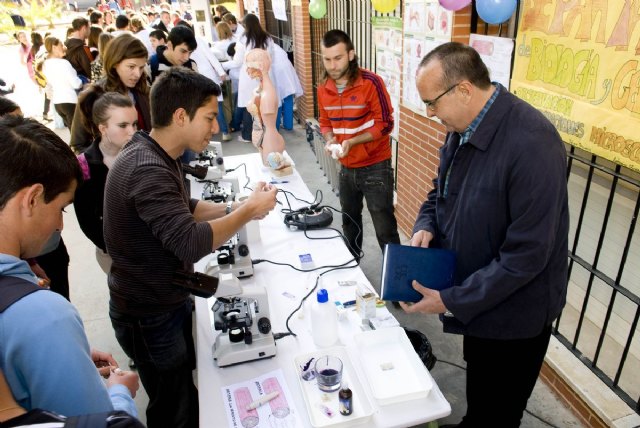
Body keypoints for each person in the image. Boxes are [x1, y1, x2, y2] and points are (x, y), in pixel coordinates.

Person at [403, 42, 569, 428]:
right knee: (481, 398)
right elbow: (438, 191)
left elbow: (526, 257)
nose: (429, 113)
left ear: (463, 89)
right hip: (477, 303)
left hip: (514, 318)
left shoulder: (532, 144)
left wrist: (450, 300)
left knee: (498, 412)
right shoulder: (461, 127)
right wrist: (425, 224)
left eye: (432, 103)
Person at [103, 67, 278, 428]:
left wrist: (236, 207)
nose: (216, 128)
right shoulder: (146, 168)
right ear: (180, 116)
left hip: (165, 298)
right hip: (148, 314)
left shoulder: (157, 152)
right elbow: (190, 241)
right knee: (175, 407)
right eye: (210, 118)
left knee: (186, 391)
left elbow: (186, 208)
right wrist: (246, 212)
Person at [0, 115, 140, 418]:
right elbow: (98, 423)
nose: (60, 224)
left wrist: (62, 357)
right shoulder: (44, 316)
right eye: (60, 208)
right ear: (33, 199)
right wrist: (120, 395)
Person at [317, 29, 400, 259]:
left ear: (351, 55)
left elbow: (386, 124)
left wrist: (353, 141)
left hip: (376, 166)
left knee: (385, 229)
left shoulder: (371, 82)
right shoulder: (323, 88)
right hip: (346, 167)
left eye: (338, 58)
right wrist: (330, 139)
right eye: (327, 59)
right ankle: (352, 272)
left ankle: (398, 288)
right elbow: (325, 122)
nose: (332, 65)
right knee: (349, 222)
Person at [74, 92, 137, 274]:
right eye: (123, 125)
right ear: (103, 128)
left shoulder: (141, 152)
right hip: (114, 254)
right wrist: (110, 247)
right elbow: (86, 220)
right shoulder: (84, 166)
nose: (132, 132)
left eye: (134, 124)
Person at [71, 33, 150, 153]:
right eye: (131, 67)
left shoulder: (144, 90)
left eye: (141, 67)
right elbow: (78, 144)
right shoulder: (91, 97)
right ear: (115, 63)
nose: (137, 74)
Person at [245, 48, 290, 172]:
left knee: (270, 167)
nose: (247, 70)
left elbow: (268, 120)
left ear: (259, 66)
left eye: (249, 66)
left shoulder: (267, 93)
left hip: (270, 141)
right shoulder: (261, 88)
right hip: (264, 139)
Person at [42, 36, 83, 128]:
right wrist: (83, 81)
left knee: (72, 132)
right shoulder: (64, 63)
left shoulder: (45, 64)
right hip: (70, 101)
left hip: (57, 103)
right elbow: (76, 84)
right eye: (61, 45)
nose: (64, 47)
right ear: (54, 47)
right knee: (78, 134)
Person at [64, 17, 92, 82]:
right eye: (89, 28)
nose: (90, 30)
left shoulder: (65, 45)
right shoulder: (82, 49)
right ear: (84, 28)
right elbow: (91, 72)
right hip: (83, 85)